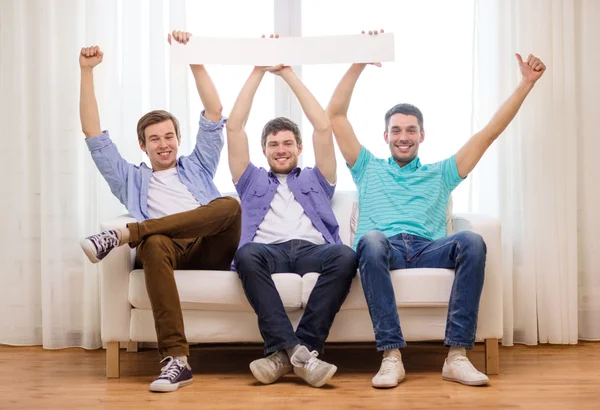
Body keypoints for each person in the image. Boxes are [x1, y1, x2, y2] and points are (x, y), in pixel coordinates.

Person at [327, 30, 546, 388]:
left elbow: (489, 133)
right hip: (383, 248)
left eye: (410, 130)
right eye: (396, 130)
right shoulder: (368, 166)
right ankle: (391, 356)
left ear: (422, 136)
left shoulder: (440, 173)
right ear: (385, 136)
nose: (403, 136)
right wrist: (359, 62)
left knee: (472, 242)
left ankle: (457, 356)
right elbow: (335, 116)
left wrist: (526, 84)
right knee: (369, 240)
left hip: (428, 247)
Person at [78, 30, 241, 393]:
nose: (163, 144)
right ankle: (176, 361)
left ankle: (126, 234)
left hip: (207, 248)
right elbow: (92, 134)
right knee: (152, 245)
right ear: (143, 144)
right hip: (165, 253)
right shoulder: (129, 180)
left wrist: (194, 58)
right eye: (154, 138)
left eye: (169, 136)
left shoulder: (198, 166)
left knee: (229, 205)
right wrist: (86, 72)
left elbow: (214, 113)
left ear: (178, 139)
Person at [226, 48, 357, 388]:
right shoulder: (250, 179)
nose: (280, 149)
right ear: (264, 150)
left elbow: (323, 125)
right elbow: (235, 127)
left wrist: (286, 72)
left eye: (287, 143)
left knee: (345, 254)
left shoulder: (318, 177)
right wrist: (257, 68)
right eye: (273, 144)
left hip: (313, 250)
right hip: (269, 251)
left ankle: (285, 355)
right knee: (245, 254)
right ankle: (301, 353)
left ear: (299, 147)